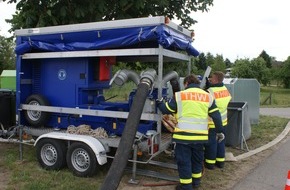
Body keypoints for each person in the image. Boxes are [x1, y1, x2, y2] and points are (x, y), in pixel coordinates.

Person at [157, 74, 224, 190]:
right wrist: (219, 132)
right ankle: (196, 183)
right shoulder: (208, 96)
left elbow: (166, 109)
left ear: (186, 83)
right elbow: (217, 116)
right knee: (197, 159)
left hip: (183, 137)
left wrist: (159, 103)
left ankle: (186, 186)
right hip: (200, 137)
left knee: (184, 161)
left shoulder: (180, 96)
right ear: (197, 83)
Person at [204, 71, 232, 169]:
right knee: (221, 141)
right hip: (223, 121)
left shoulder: (210, 91)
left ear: (215, 79)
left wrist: (206, 88)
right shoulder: (225, 89)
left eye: (212, 78)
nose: (210, 79)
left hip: (212, 122)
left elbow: (206, 104)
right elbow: (228, 99)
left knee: (211, 143)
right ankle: (220, 162)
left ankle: (210, 163)